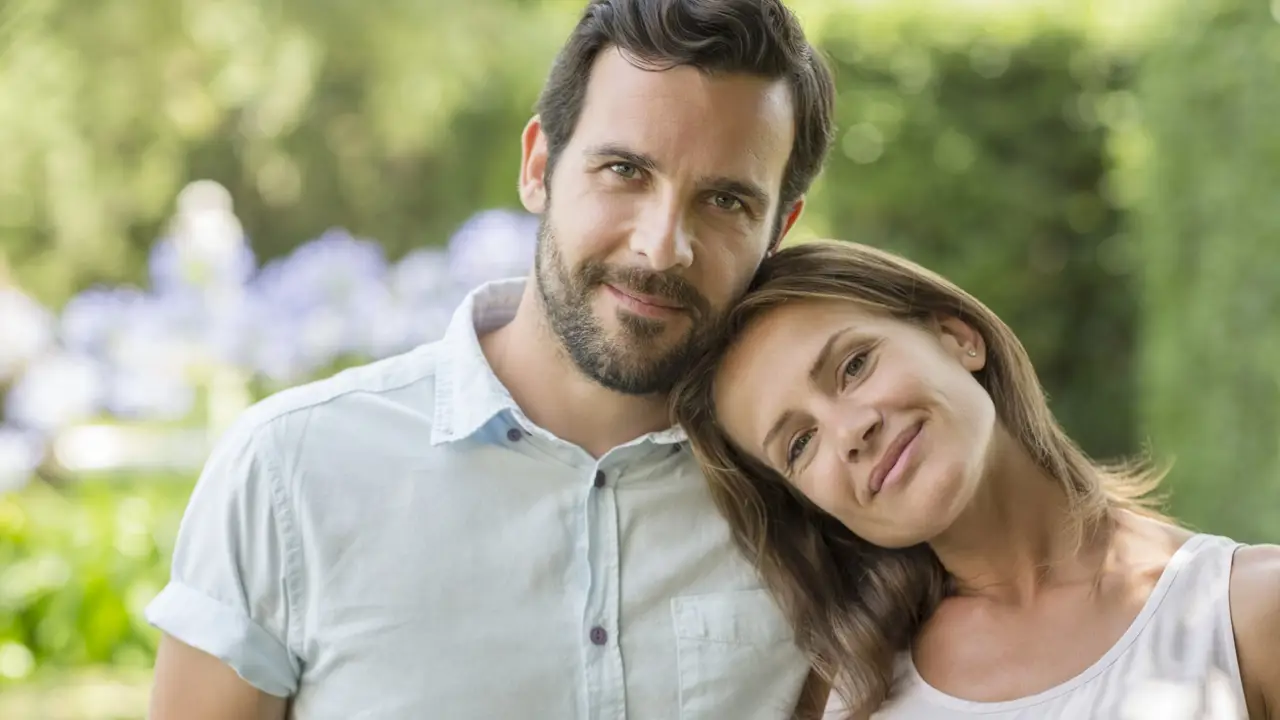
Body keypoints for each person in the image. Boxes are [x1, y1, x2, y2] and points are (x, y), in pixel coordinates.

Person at [143, 0, 837, 718]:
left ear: (778, 228)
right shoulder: (288, 471)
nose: (662, 246)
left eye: (726, 200)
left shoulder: (814, 493)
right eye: (625, 170)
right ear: (539, 166)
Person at [671, 240, 1280, 719]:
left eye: (854, 366)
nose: (850, 432)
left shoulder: (1250, 614)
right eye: (800, 443)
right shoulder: (844, 693)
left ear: (957, 336)